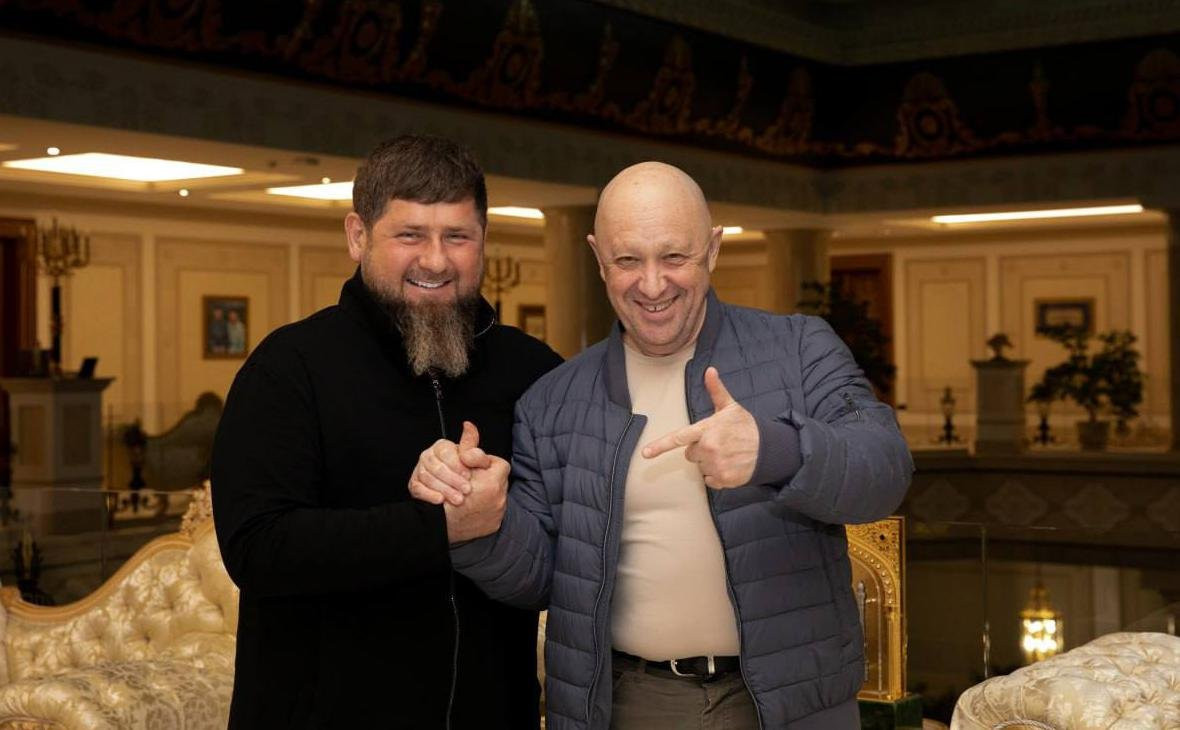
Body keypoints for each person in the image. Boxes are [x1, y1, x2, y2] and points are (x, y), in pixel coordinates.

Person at [410, 161, 914, 729]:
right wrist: (480, 525)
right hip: (630, 704)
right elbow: (544, 577)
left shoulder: (800, 349)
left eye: (674, 257)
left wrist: (775, 450)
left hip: (794, 704)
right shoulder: (553, 399)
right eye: (628, 260)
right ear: (599, 259)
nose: (652, 285)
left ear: (713, 249)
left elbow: (885, 470)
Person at [211, 135, 562, 729]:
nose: (436, 260)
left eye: (457, 236)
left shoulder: (535, 372)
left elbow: (571, 549)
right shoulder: (290, 368)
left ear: (484, 239)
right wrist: (438, 529)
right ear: (357, 236)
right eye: (410, 235)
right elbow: (258, 549)